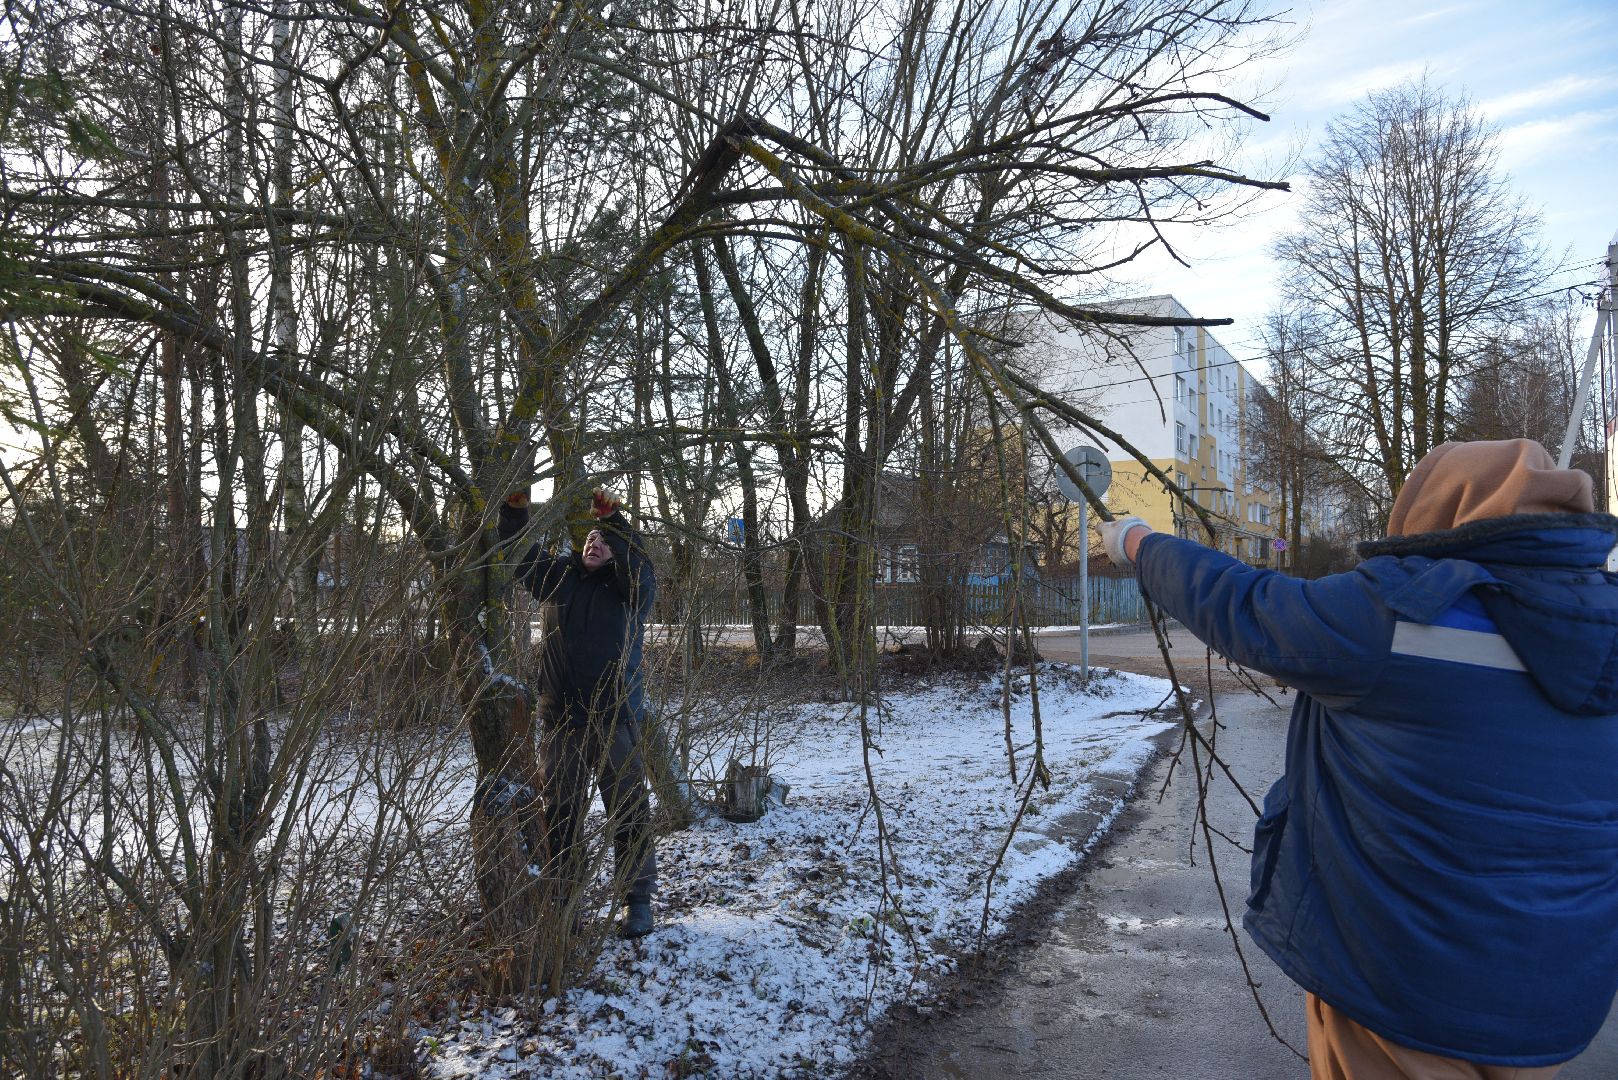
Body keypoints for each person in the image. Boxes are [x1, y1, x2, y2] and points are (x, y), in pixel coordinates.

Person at [1096, 439, 1618, 1079]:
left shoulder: (1399, 613)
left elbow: (1244, 604)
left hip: (1403, 988)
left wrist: (1140, 543)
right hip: (1553, 1000)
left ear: (1436, 510)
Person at [500, 487, 657, 939]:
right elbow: (520, 555)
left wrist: (614, 523)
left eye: (604, 541)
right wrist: (515, 513)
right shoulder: (560, 577)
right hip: (562, 719)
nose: (595, 543)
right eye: (590, 537)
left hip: (615, 719)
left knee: (628, 811)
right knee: (561, 812)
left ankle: (637, 901)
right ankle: (564, 900)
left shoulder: (629, 589)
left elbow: (640, 568)